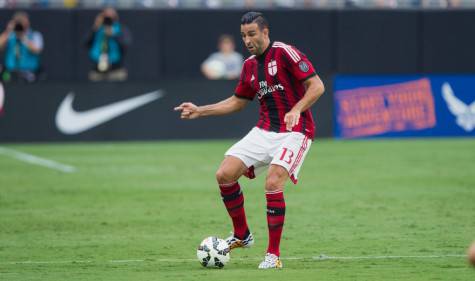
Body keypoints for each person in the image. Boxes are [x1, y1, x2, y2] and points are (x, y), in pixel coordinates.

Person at [175, 12, 324, 269]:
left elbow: (317, 86)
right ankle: (242, 235)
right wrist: (200, 110)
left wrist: (296, 109)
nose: (247, 39)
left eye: (252, 34)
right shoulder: (249, 66)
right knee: (224, 174)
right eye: (243, 35)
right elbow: (237, 102)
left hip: (296, 130)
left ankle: (273, 255)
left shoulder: (285, 52)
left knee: (274, 180)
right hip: (265, 130)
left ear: (265, 32)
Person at [85, 7, 131, 81]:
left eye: (111, 17)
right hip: (97, 71)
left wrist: (114, 34)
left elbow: (126, 43)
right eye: (106, 17)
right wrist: (95, 27)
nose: (108, 20)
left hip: (116, 70)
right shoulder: (97, 28)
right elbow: (86, 43)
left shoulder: (120, 29)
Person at [0, 11, 44, 83]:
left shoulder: (35, 35)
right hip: (10, 73)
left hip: (29, 73)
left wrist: (22, 36)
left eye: (22, 22)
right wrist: (8, 31)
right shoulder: (10, 36)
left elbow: (36, 50)